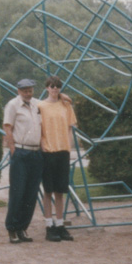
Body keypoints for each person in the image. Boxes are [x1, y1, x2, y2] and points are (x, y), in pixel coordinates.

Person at [3, 78, 43, 244]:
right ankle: (12, 228)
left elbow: (53, 102)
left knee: (31, 193)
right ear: (18, 90)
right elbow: (7, 127)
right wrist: (13, 150)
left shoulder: (37, 105)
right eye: (25, 90)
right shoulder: (13, 105)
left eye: (30, 90)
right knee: (18, 192)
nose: (28, 93)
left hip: (36, 153)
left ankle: (23, 228)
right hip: (21, 151)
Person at [39, 75, 77, 242]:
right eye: (52, 86)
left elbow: (71, 126)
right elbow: (38, 129)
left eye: (57, 86)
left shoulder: (65, 105)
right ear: (47, 88)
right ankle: (49, 225)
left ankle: (60, 224)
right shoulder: (40, 106)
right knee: (48, 191)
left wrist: (68, 145)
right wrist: (43, 146)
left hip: (63, 151)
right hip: (48, 151)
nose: (55, 89)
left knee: (60, 191)